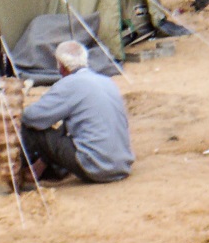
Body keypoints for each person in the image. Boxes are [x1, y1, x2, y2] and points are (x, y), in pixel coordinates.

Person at [20, 40, 134, 184]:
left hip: (96, 167)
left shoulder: (69, 85)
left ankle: (17, 174)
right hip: (122, 165)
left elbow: (32, 117)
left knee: (32, 130)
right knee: (64, 129)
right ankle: (44, 168)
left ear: (61, 66)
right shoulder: (106, 81)